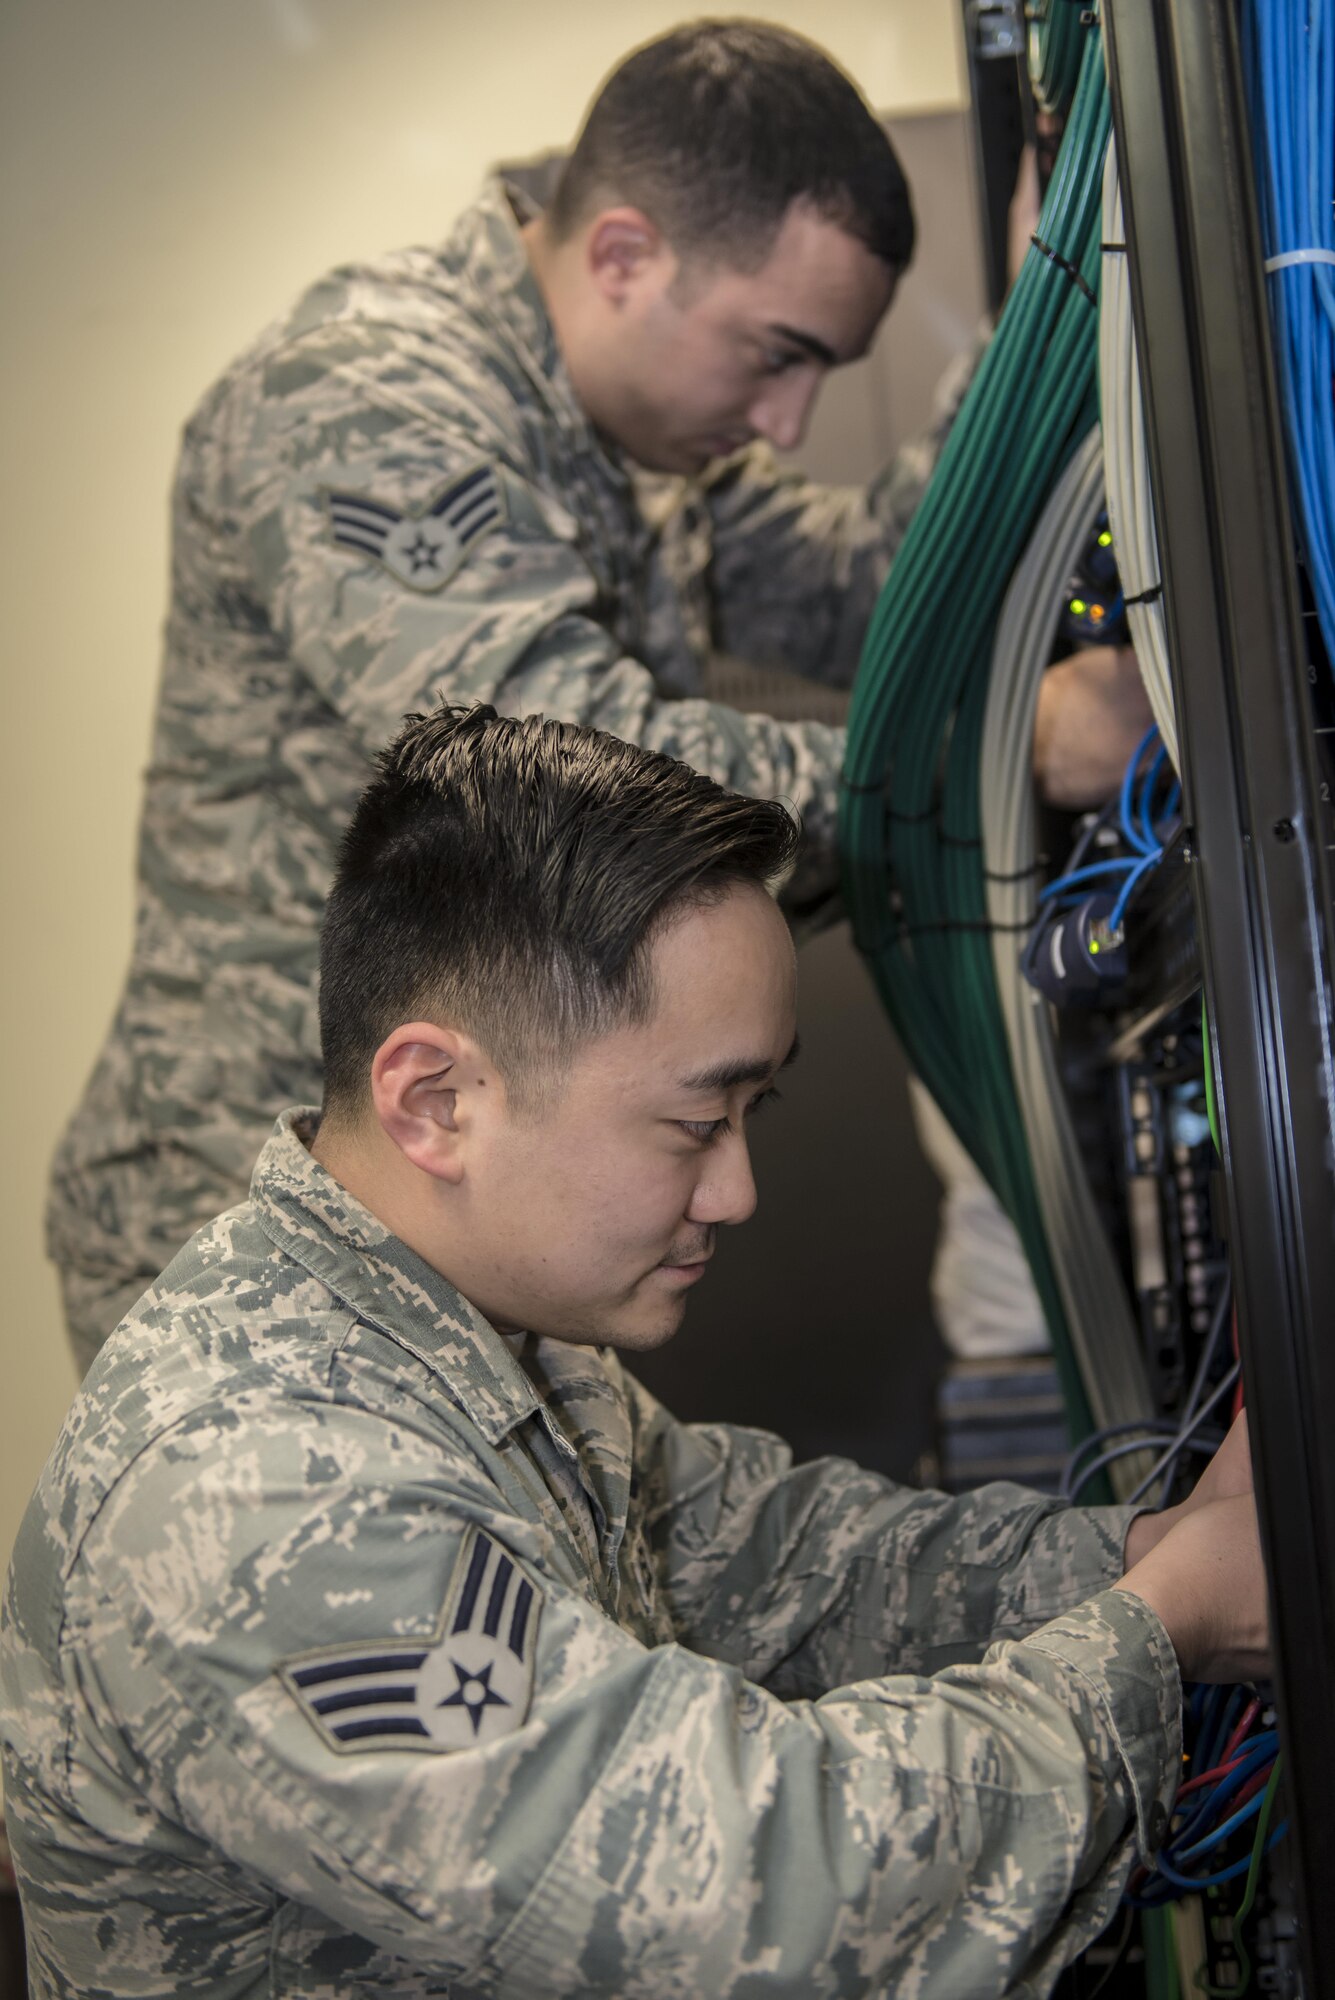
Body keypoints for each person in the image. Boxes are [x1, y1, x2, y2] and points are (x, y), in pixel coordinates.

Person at [4, 705, 1267, 1999]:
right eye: (695, 1121)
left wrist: (1130, 1557)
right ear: (437, 1103)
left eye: (750, 1112)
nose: (737, 1192)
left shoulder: (474, 1330)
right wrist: (1158, 1630)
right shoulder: (260, 1493)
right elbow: (762, 1903)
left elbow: (786, 1570)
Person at [47, 17, 1149, 1375]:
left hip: (460, 1195)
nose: (791, 420)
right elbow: (552, 769)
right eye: (774, 353)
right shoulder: (361, 395)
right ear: (625, 254)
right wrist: (1017, 745)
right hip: (252, 1219)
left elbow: (880, 582)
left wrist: (1041, 313)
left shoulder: (628, 441)